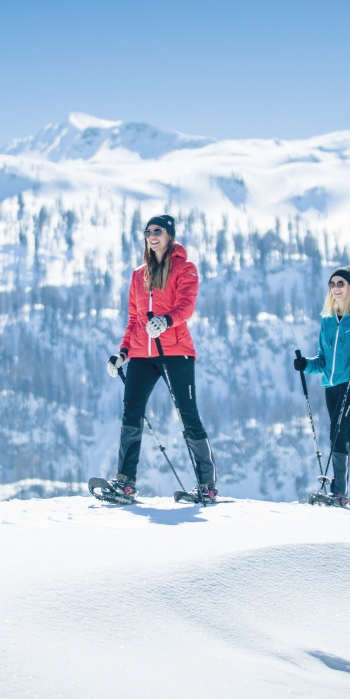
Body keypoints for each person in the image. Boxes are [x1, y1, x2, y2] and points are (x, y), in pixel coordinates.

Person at [103, 214, 216, 501]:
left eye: (158, 231)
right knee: (131, 413)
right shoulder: (138, 274)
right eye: (148, 231)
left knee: (188, 414)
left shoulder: (185, 268)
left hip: (176, 351)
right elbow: (134, 319)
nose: (152, 236)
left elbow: (186, 306)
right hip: (142, 353)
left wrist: (166, 321)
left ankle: (207, 485)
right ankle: (125, 482)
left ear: (169, 236)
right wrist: (123, 353)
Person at [294, 266, 350, 508]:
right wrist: (305, 365)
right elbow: (323, 361)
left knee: (337, 432)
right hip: (331, 387)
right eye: (332, 283)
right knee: (344, 441)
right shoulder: (327, 321)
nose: (336, 288)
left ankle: (338, 491)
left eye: (341, 283)